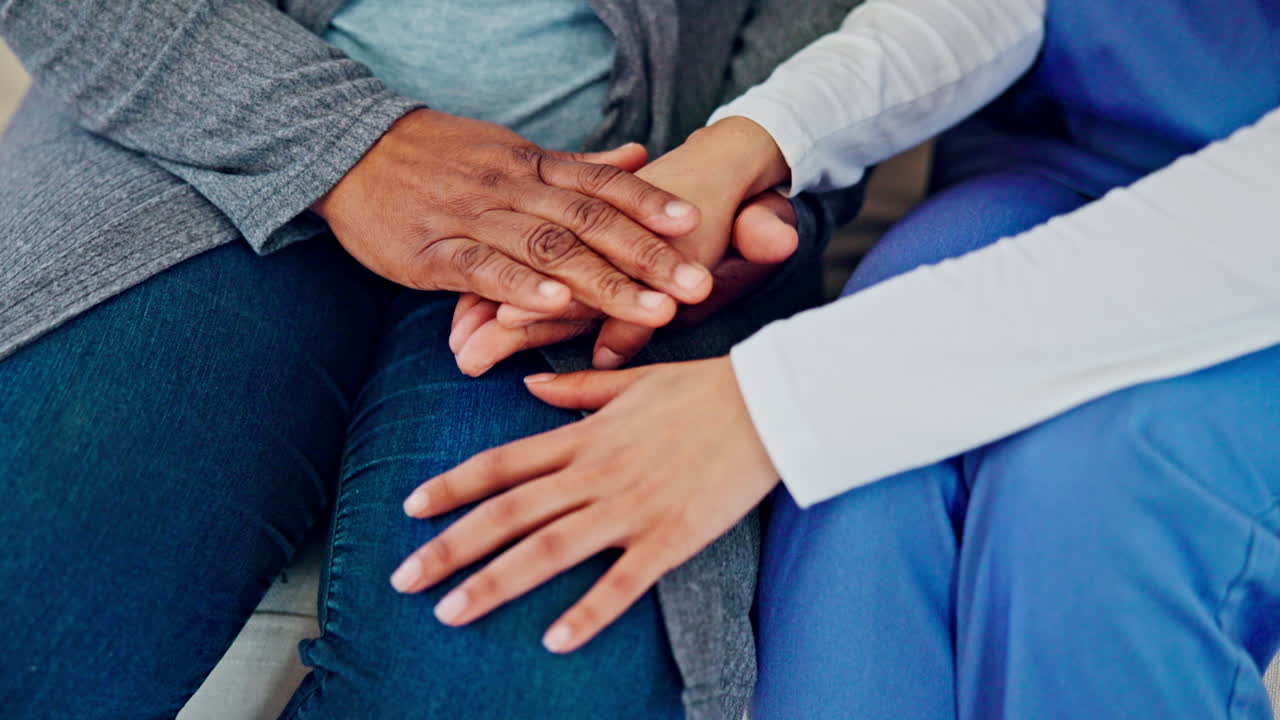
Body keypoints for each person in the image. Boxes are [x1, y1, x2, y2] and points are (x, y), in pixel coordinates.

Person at [395, 0, 1280, 718]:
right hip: (1073, 160)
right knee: (871, 470)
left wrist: (777, 404)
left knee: (1091, 487)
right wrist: (750, 144)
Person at [0, 1, 867, 718]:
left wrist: (767, 166)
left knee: (533, 686)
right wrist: (352, 145)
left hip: (616, 213)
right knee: (35, 599)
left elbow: (831, 40)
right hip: (185, 145)